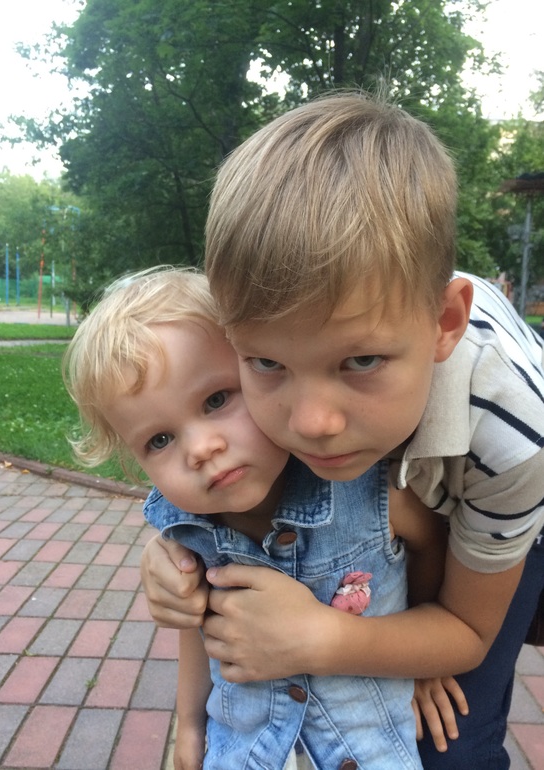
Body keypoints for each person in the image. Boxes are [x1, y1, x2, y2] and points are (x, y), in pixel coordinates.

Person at [139, 92, 544, 769]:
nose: (311, 425)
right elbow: (186, 426)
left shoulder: (516, 437)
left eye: (361, 362)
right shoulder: (302, 357)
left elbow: (469, 629)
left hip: (505, 508)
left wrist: (328, 641)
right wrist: (171, 550)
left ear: (444, 323)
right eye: (266, 363)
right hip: (421, 498)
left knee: (449, 746)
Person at [63, 266, 464, 770]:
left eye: (216, 400)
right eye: (159, 440)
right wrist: (189, 723)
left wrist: (422, 659)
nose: (201, 449)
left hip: (366, 746)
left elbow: (431, 547)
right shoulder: (189, 530)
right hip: (245, 748)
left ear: (264, 371)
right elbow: (198, 625)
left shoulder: (369, 490)